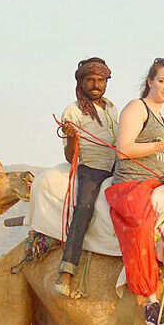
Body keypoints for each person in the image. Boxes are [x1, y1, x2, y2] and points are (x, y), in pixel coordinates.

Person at [105, 58, 164, 325]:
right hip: (132, 184)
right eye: (162, 80)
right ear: (150, 81)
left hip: (158, 182)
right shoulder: (137, 108)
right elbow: (124, 150)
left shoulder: (162, 119)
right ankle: (148, 301)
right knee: (141, 223)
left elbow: (159, 161)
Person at [53, 57, 119, 297]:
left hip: (117, 167)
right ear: (81, 82)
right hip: (91, 168)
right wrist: (72, 137)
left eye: (101, 80)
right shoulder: (73, 111)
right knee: (84, 208)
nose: (96, 85)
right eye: (90, 80)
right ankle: (66, 270)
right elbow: (70, 156)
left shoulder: (112, 108)